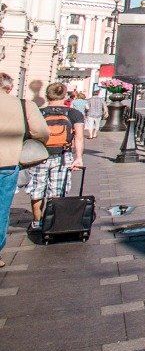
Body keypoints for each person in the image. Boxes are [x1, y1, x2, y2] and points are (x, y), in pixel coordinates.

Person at [0, 74, 47, 266]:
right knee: (2, 209)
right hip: (8, 163)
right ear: (9, 88)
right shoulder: (24, 105)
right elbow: (42, 132)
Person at [30, 82, 84, 231]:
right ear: (65, 96)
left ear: (47, 95)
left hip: (39, 154)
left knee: (37, 189)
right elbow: (78, 137)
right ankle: (53, 221)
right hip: (63, 155)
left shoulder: (38, 112)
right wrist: (78, 157)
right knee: (58, 190)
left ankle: (36, 222)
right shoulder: (74, 114)